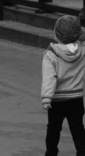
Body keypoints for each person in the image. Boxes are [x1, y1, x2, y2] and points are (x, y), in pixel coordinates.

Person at [41, 15, 85, 156]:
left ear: (56, 34)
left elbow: (49, 77)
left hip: (56, 100)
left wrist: (46, 97)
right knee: (78, 128)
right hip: (76, 98)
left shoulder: (51, 54)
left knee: (53, 129)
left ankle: (51, 152)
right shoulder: (82, 52)